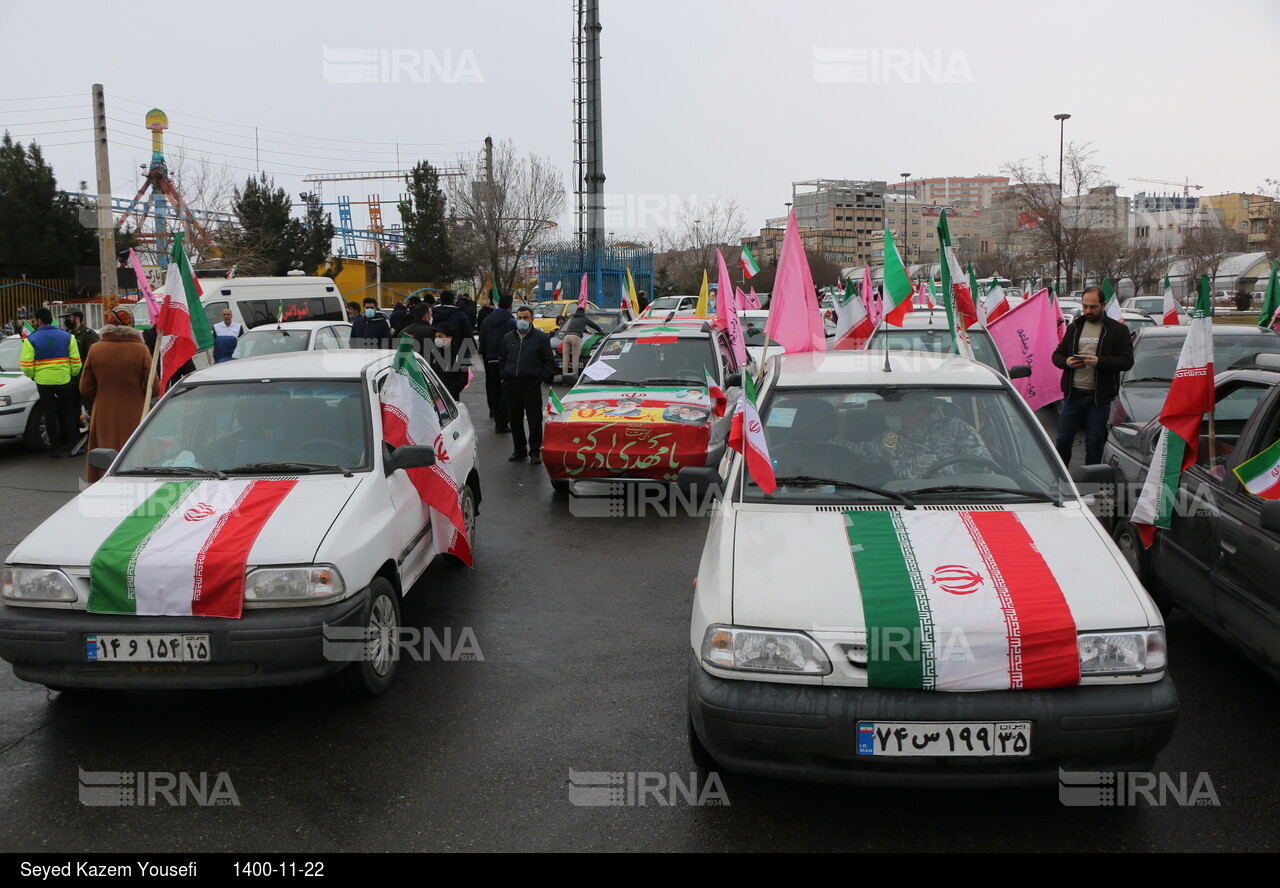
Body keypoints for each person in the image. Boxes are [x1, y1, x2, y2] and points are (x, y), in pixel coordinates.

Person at [1051, 286, 1134, 466]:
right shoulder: (1074, 327)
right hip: (1073, 397)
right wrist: (1067, 362)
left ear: (1103, 305)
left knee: (1094, 443)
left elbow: (1127, 361)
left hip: (1099, 400)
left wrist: (1099, 361)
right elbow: (1056, 355)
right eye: (1085, 306)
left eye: (1093, 307)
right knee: (1063, 441)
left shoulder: (1117, 330)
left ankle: (1090, 488)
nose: (1088, 311)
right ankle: (1060, 484)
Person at [79, 308, 154, 484]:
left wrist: (103, 394)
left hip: (103, 410)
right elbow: (154, 387)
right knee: (134, 451)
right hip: (135, 410)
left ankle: (103, 485)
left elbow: (84, 387)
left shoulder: (95, 349)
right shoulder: (141, 349)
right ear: (130, 324)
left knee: (103, 454)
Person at [847, 397, 993, 481]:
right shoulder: (891, 437)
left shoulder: (957, 429)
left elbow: (984, 473)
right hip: (901, 504)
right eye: (891, 409)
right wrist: (825, 446)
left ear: (921, 408)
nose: (892, 414)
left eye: (899, 408)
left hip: (957, 502)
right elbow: (858, 453)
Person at [19, 308, 81, 458]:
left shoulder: (31, 339)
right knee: (68, 412)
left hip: (43, 382)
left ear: (39, 321)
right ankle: (73, 447)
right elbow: (76, 362)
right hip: (64, 380)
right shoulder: (68, 337)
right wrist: (71, 374)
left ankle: (55, 449)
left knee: (50, 414)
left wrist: (35, 376)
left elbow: (26, 366)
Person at [497, 305, 555, 463]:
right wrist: (503, 376)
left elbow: (549, 361)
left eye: (525, 318)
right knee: (514, 419)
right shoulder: (508, 337)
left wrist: (540, 378)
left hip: (531, 385)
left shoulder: (540, 338)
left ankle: (535, 451)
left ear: (532, 319)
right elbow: (502, 359)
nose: (522, 321)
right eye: (519, 317)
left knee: (534, 420)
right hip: (511, 384)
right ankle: (519, 450)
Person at [478, 293, 517, 431]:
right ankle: (502, 419)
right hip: (505, 359)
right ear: (510, 306)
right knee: (505, 389)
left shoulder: (487, 320)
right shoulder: (511, 322)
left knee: (491, 384)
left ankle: (493, 409)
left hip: (489, 357)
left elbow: (482, 338)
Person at [64, 309, 99, 426]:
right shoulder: (66, 334)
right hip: (70, 380)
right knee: (73, 410)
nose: (66, 320)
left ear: (77, 318)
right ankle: (75, 436)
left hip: (84, 379)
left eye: (68, 317)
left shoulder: (89, 334)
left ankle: (94, 432)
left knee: (91, 409)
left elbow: (93, 358)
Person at [558, 306, 603, 377]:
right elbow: (593, 325)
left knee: (565, 359)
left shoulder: (573, 318)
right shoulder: (584, 318)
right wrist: (600, 330)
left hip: (566, 337)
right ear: (583, 312)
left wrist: (586, 331)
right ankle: (574, 376)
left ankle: (565, 376)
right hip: (575, 337)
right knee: (575, 359)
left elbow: (577, 326)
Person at [430, 322, 469, 401]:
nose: (437, 339)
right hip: (434, 398)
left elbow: (462, 379)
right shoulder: (434, 353)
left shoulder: (458, 356)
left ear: (450, 338)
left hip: (450, 399)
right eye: (436, 336)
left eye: (440, 336)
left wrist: (448, 393)